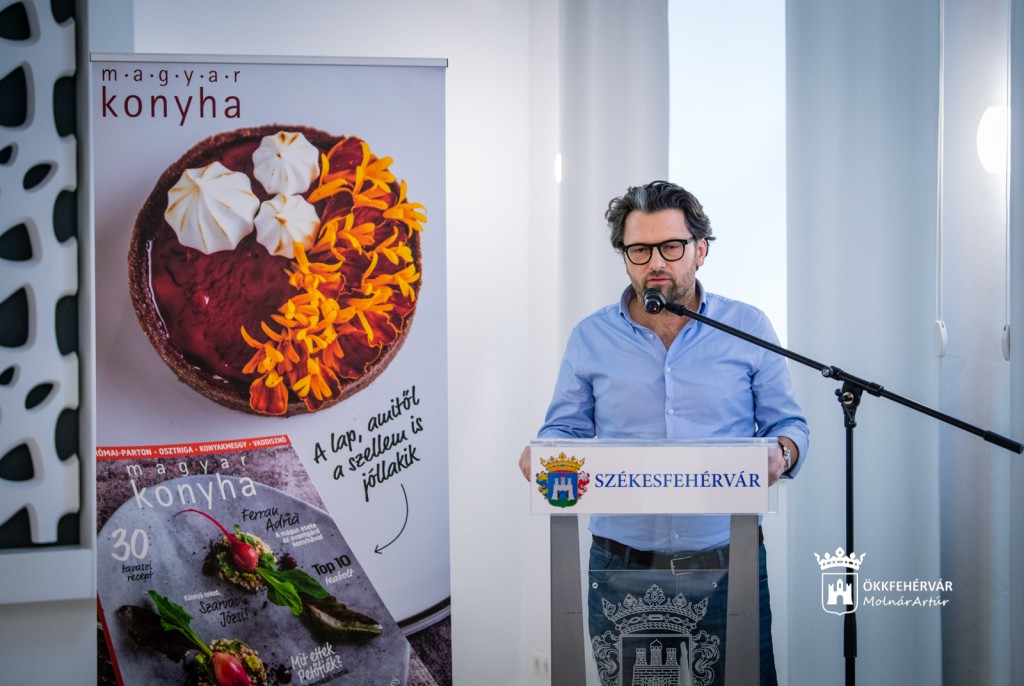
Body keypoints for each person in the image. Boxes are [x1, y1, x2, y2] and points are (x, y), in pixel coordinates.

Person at [519, 180, 808, 685]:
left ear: (701, 250)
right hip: (620, 570)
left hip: (728, 566)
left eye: (671, 246)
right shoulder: (590, 337)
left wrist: (782, 453)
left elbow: (789, 426)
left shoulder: (747, 327)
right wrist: (544, 453)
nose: (655, 262)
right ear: (624, 257)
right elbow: (564, 430)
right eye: (640, 249)